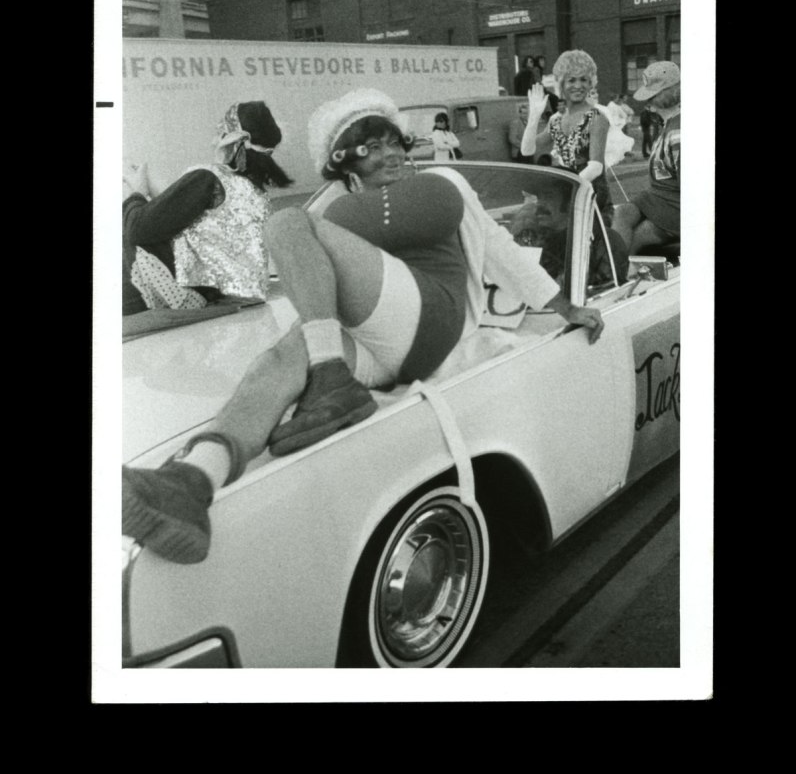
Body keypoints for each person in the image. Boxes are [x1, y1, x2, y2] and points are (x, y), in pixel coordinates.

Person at [122, 88, 605, 564]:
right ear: (343, 161)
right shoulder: (336, 209)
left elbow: (499, 248)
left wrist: (564, 306)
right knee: (277, 361)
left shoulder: (444, 183)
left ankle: (329, 376)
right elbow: (319, 290)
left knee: (287, 224)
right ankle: (193, 481)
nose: (389, 154)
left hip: (437, 316)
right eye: (370, 148)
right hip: (377, 341)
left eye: (393, 141)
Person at [122, 101, 293, 316]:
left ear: (233, 141)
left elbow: (137, 229)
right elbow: (199, 226)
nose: (213, 141)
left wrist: (135, 193)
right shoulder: (256, 193)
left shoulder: (207, 178)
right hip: (237, 300)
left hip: (190, 299)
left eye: (220, 133)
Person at [520, 50, 612, 217]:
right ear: (561, 84)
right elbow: (528, 150)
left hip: (592, 197)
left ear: (591, 83)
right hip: (565, 195)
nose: (578, 86)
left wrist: (563, 188)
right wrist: (533, 116)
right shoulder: (556, 120)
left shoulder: (597, 118)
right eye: (571, 80)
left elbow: (596, 168)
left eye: (584, 79)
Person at [612, 62, 681, 254]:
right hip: (658, 199)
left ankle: (619, 275)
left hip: (674, 206)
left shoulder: (679, 130)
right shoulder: (668, 124)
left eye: (652, 96)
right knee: (622, 213)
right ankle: (614, 269)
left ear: (669, 94)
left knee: (639, 237)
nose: (647, 102)